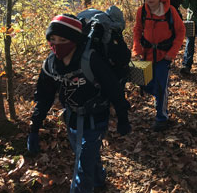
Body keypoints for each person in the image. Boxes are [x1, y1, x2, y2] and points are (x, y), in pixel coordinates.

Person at [27, 14, 131, 193]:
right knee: (85, 155)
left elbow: (113, 88)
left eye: (62, 39)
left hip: (96, 118)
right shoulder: (51, 64)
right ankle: (99, 180)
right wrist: (34, 128)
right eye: (52, 39)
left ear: (74, 40)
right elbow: (44, 97)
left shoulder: (90, 59)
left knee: (82, 165)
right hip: (72, 118)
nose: (57, 44)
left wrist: (123, 117)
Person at [133, 0, 185, 131]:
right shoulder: (141, 11)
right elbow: (137, 30)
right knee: (145, 84)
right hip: (147, 54)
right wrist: (137, 49)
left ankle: (161, 117)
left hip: (164, 56)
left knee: (161, 86)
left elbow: (180, 32)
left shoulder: (170, 11)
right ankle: (158, 97)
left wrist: (172, 53)